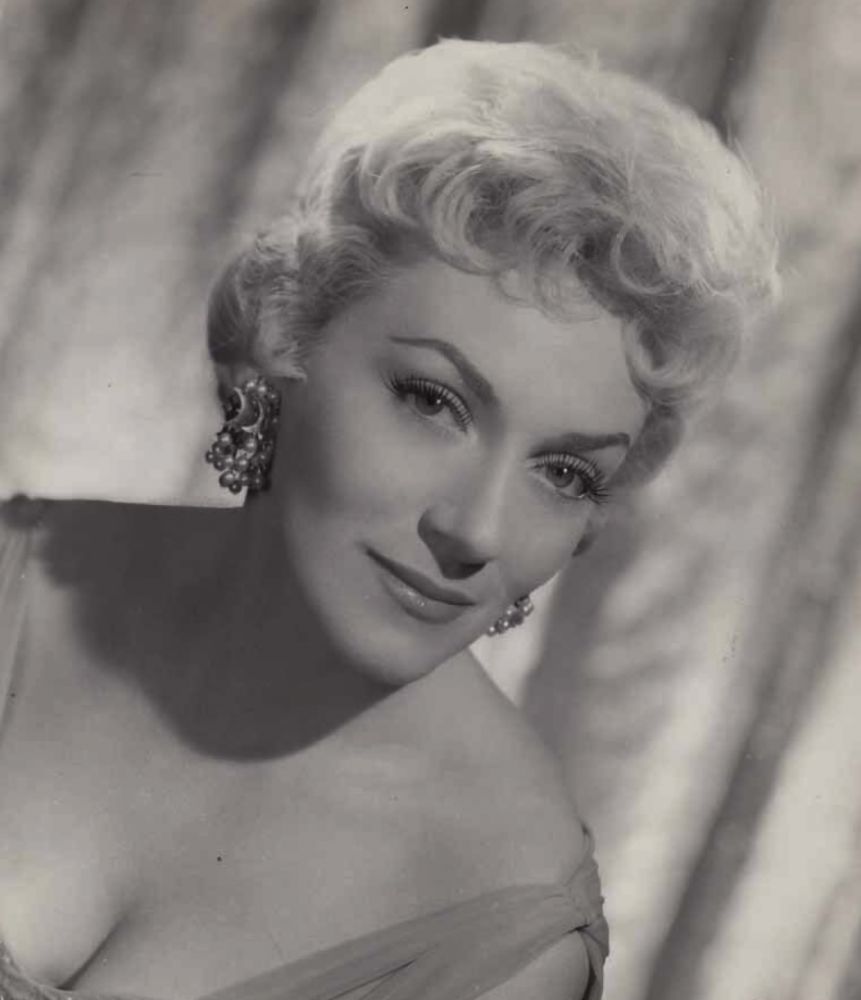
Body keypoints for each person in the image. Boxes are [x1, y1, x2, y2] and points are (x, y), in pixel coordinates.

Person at [0, 39, 777, 1000]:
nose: (476, 531)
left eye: (563, 473)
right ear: (285, 330)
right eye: (432, 401)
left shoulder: (506, 946)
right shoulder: (15, 582)